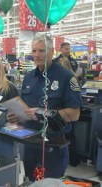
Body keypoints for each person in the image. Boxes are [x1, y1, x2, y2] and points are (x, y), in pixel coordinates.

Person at [7, 34, 82, 181]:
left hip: (53, 145)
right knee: (30, 180)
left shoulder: (66, 77)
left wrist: (42, 113)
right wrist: (16, 115)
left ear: (52, 51)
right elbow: (25, 108)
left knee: (51, 183)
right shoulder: (29, 77)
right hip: (29, 143)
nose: (37, 55)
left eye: (41, 51)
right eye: (34, 51)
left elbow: (75, 113)